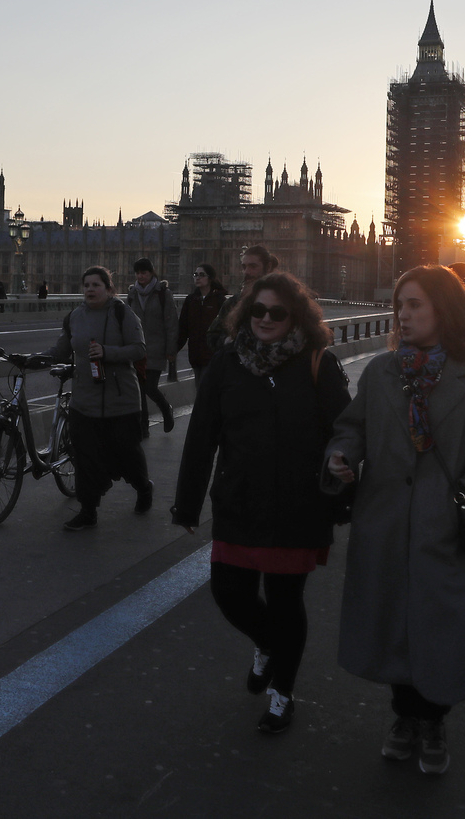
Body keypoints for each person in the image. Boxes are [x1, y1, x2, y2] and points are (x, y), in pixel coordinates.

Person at [322, 264, 465, 775]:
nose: (403, 314)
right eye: (401, 305)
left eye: (415, 305)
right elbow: (351, 428)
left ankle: (434, 720)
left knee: (437, 625)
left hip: (442, 522)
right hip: (384, 518)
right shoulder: (383, 372)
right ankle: (404, 717)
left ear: (442, 310)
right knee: (393, 623)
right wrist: (342, 457)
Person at [173, 271, 352, 734]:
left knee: (286, 599)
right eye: (258, 310)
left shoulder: (317, 363)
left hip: (297, 504)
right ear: (245, 313)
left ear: (295, 317)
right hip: (240, 499)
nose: (266, 319)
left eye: (277, 312)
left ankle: (283, 693)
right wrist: (187, 504)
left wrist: (343, 479)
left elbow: (345, 431)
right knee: (229, 592)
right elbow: (202, 436)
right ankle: (270, 644)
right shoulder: (227, 363)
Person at [46, 266, 153, 530]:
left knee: (128, 455)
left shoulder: (122, 313)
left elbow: (139, 349)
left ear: (109, 289)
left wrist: (107, 352)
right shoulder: (74, 317)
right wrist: (30, 359)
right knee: (86, 457)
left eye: (96, 285)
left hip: (121, 401)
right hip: (85, 401)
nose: (90, 290)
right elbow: (61, 349)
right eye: (86, 285)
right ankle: (88, 510)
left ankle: (143, 486)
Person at [126, 258, 178, 437]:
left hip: (156, 349)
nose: (140, 276)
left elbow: (171, 324)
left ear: (151, 273)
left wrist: (171, 351)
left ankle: (166, 408)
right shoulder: (132, 294)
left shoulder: (163, 294)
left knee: (149, 387)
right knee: (139, 389)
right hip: (137, 349)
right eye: (138, 273)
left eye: (144, 273)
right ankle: (143, 427)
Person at [206, 244, 279, 353]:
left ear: (268, 267)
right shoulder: (233, 303)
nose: (246, 272)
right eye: (244, 267)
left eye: (253, 266)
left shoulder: (283, 301)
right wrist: (229, 341)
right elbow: (212, 336)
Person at [175, 263, 227, 382]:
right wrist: (174, 349)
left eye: (201, 275)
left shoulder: (219, 300)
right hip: (195, 355)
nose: (197, 277)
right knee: (199, 389)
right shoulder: (191, 300)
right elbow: (183, 328)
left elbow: (226, 327)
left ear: (210, 278)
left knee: (206, 391)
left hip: (212, 355)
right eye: (195, 274)